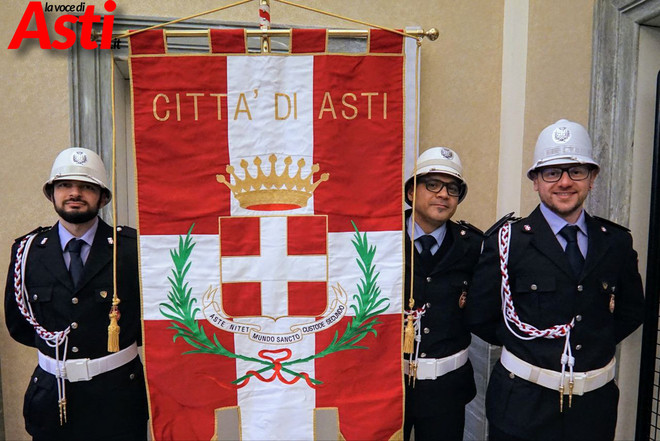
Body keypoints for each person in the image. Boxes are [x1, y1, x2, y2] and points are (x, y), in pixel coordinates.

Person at [466, 119, 645, 440]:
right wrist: (532, 346)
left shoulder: (616, 242)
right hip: (522, 404)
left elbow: (632, 311)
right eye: (551, 172)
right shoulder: (509, 241)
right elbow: (480, 316)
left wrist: (591, 342)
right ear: (535, 180)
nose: (564, 182)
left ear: (592, 178)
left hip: (593, 409)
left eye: (576, 171)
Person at [4, 147, 148, 440]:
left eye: (86, 187)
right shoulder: (27, 251)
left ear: (103, 197)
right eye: (65, 185)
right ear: (51, 193)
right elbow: (18, 325)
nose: (74, 193)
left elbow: (147, 325)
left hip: (117, 398)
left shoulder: (132, 249)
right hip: (51, 398)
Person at [402, 147, 482, 441]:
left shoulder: (473, 246)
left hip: (446, 390)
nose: (443, 194)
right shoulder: (383, 240)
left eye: (452, 188)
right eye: (432, 184)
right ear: (412, 192)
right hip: (389, 388)